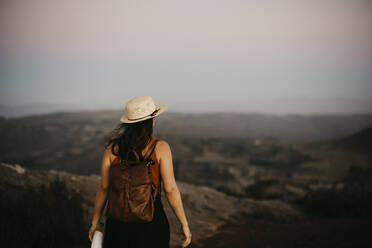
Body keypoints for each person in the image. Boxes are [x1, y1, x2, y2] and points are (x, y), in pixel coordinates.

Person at [89, 96, 192, 248]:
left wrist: (95, 222)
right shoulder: (160, 148)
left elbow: (104, 187)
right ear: (152, 121)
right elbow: (170, 190)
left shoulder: (111, 149)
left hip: (117, 227)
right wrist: (184, 224)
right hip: (151, 226)